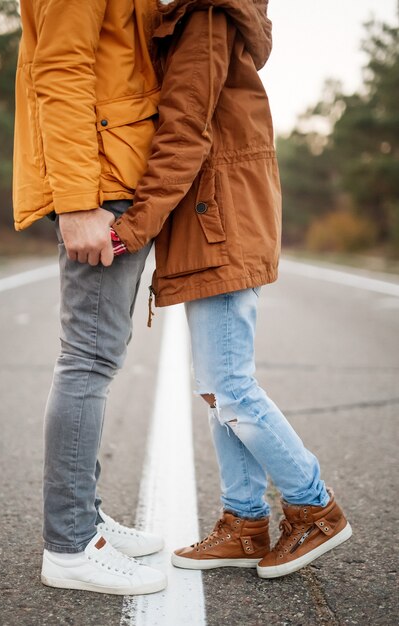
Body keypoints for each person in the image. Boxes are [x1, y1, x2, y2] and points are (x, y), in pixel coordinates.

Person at [112, 0, 352, 578]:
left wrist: (133, 227)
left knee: (230, 386)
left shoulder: (207, 18)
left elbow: (184, 129)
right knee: (219, 388)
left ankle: (315, 508)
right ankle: (245, 524)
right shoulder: (200, 17)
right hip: (214, 219)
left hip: (216, 218)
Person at [12, 0, 167, 595]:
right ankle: (71, 546)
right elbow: (60, 68)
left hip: (114, 174)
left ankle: (85, 519)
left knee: (97, 356)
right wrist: (77, 202)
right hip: (98, 187)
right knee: (88, 358)